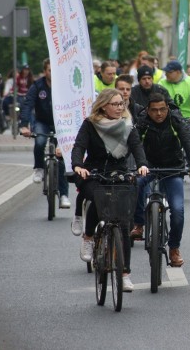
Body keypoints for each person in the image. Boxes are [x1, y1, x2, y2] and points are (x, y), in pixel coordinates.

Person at [72, 89, 148, 292]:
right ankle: (88, 238)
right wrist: (78, 165)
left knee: (123, 225)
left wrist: (141, 164)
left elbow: (137, 146)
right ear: (103, 106)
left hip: (119, 172)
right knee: (98, 198)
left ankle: (124, 275)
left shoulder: (128, 124)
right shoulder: (90, 124)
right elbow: (79, 146)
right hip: (94, 172)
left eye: (121, 104)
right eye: (115, 104)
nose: (119, 107)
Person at [131, 93, 190, 266]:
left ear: (167, 108)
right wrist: (129, 168)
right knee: (135, 185)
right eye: (154, 110)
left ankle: (174, 248)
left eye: (162, 109)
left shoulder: (175, 120)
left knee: (177, 211)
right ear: (148, 110)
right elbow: (132, 144)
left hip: (173, 169)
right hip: (147, 167)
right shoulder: (142, 122)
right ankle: (139, 224)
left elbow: (189, 141)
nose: (159, 114)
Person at [19, 59, 71, 208]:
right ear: (45, 71)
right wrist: (24, 126)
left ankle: (64, 195)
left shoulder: (64, 85)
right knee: (40, 141)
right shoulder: (37, 86)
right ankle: (39, 169)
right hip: (42, 122)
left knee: (61, 157)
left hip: (61, 123)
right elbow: (28, 104)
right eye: (49, 70)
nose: (52, 73)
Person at [158, 60, 190, 125]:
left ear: (178, 72)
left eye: (169, 72)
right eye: (165, 72)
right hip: (168, 118)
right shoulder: (162, 82)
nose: (166, 74)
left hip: (188, 117)